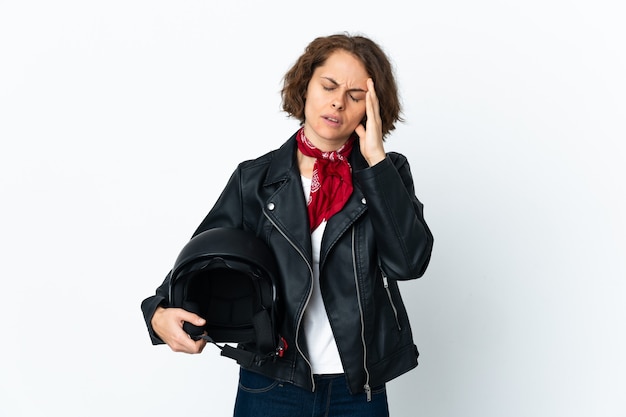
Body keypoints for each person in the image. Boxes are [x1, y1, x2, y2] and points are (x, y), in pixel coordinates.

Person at [141, 33, 434, 417]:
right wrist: (158, 311)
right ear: (306, 86)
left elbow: (408, 264)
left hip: (358, 388)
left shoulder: (388, 173)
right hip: (271, 381)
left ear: (372, 108)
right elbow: (202, 256)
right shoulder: (255, 180)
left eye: (356, 95)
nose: (337, 102)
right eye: (328, 86)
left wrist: (375, 162)